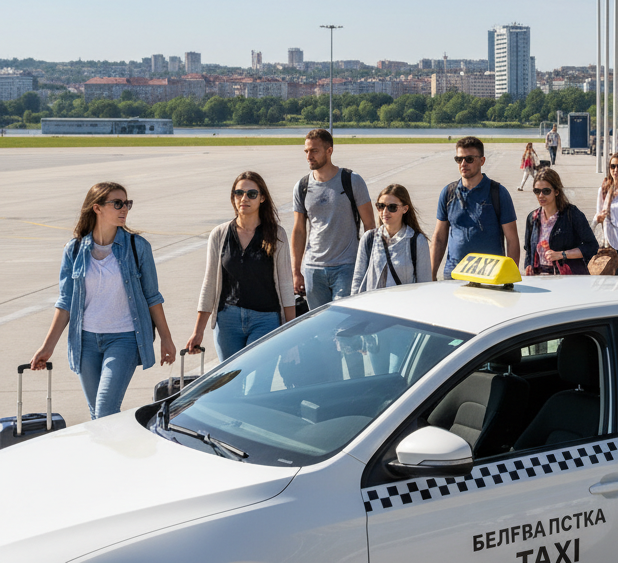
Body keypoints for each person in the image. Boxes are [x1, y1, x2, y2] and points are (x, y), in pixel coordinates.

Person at [30, 182, 176, 419]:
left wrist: (166, 339)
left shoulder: (137, 247)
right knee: (96, 414)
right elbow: (66, 302)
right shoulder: (74, 249)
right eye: (117, 203)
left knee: (105, 409)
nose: (124, 209)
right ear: (96, 208)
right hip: (85, 340)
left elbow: (152, 297)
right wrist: (47, 347)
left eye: (126, 203)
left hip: (124, 338)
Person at [191, 172, 296, 362]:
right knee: (232, 383)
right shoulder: (219, 234)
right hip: (227, 321)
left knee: (258, 381)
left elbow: (286, 285)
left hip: (265, 320)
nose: (244, 198)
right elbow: (209, 285)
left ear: (262, 198)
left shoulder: (276, 235)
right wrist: (198, 332)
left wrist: (291, 330)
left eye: (251, 194)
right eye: (238, 193)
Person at [291, 128, 375, 307]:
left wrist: (368, 264)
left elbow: (370, 226)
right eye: (306, 151)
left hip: (346, 267)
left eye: (314, 150)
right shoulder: (302, 186)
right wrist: (296, 271)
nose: (309, 156)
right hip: (313, 269)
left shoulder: (352, 180)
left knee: (344, 326)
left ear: (329, 151)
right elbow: (299, 230)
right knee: (319, 328)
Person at [432, 136, 520, 279]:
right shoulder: (448, 193)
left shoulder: (498, 192)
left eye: (469, 159)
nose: (463, 163)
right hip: (454, 274)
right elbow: (439, 238)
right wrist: (431, 273)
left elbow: (512, 239)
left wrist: (511, 278)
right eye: (459, 159)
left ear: (482, 161)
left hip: (490, 275)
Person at [353, 183, 432, 292]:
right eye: (380, 206)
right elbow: (358, 279)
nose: (385, 212)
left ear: (405, 209)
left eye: (392, 207)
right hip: (372, 305)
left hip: (401, 307)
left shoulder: (417, 241)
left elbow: (424, 285)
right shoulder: (369, 238)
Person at [522, 168, 600, 275]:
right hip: (540, 279)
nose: (541, 195)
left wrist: (562, 254)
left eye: (546, 191)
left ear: (557, 191)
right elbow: (529, 250)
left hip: (568, 280)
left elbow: (592, 246)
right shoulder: (532, 218)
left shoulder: (572, 214)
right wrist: (528, 266)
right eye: (537, 191)